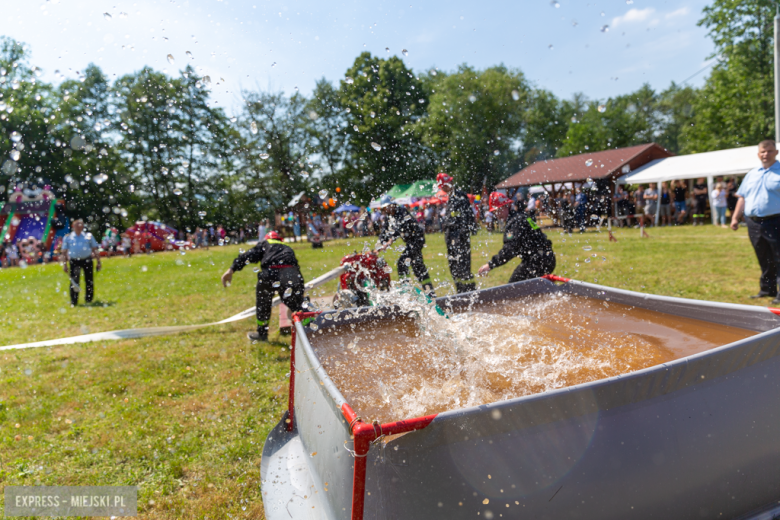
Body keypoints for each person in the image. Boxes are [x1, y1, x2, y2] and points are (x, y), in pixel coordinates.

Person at [221, 230, 306, 342]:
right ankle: (308, 328)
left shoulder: (265, 244)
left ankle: (262, 333)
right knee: (297, 303)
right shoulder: (287, 246)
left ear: (266, 238)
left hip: (270, 273)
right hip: (291, 274)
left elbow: (248, 255)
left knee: (263, 303)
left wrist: (231, 269)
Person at [731, 139, 780, 302]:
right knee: (763, 256)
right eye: (763, 152)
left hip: (776, 221)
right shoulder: (752, 174)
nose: (766, 154)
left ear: (776, 153)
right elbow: (742, 197)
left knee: (778, 256)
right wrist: (735, 218)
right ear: (758, 154)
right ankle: (767, 289)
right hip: (754, 223)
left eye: (770, 151)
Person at [478, 197, 556, 283]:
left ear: (507, 206)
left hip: (538, 260)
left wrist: (490, 265)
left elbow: (510, 249)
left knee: (513, 289)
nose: (497, 215)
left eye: (498, 210)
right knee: (528, 290)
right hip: (545, 258)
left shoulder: (515, 222)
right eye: (494, 212)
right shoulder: (521, 216)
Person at [376, 195, 435, 297]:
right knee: (418, 267)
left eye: (388, 206)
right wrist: (379, 244)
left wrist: (390, 241)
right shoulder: (389, 216)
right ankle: (430, 293)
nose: (387, 209)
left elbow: (399, 228)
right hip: (410, 242)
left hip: (417, 240)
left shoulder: (402, 212)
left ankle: (406, 290)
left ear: (393, 204)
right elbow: (385, 231)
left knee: (402, 263)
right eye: (385, 208)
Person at [438, 173, 478, 294]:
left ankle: (470, 294)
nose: (445, 188)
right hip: (452, 239)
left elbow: (467, 218)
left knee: (463, 268)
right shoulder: (452, 198)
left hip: (459, 238)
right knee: (454, 268)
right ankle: (461, 293)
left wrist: (461, 236)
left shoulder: (459, 195)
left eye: (447, 184)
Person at [61, 219, 101, 306]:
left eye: (81, 225)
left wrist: (98, 262)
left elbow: (95, 249)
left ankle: (89, 299)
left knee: (89, 280)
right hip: (74, 261)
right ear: (73, 226)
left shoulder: (88, 236)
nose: (79, 227)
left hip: (87, 260)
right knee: (74, 281)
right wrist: (64, 264)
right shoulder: (68, 237)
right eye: (77, 225)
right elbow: (64, 252)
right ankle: (74, 301)